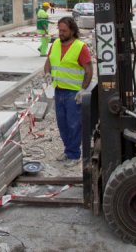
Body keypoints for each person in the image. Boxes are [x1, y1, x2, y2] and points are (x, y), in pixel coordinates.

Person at [44, 17, 93, 167]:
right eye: (59, 30)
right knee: (63, 124)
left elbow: (89, 71)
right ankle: (68, 150)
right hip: (58, 91)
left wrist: (83, 90)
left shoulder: (80, 47)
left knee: (74, 125)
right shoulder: (55, 44)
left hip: (73, 93)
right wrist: (47, 74)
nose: (61, 33)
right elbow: (48, 63)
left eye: (64, 31)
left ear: (72, 30)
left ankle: (74, 155)